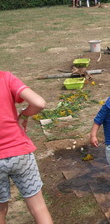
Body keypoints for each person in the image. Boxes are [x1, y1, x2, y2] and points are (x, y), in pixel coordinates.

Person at [0, 71, 53, 224]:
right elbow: (39, 103)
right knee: (38, 207)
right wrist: (23, 115)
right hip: (20, 153)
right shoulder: (5, 77)